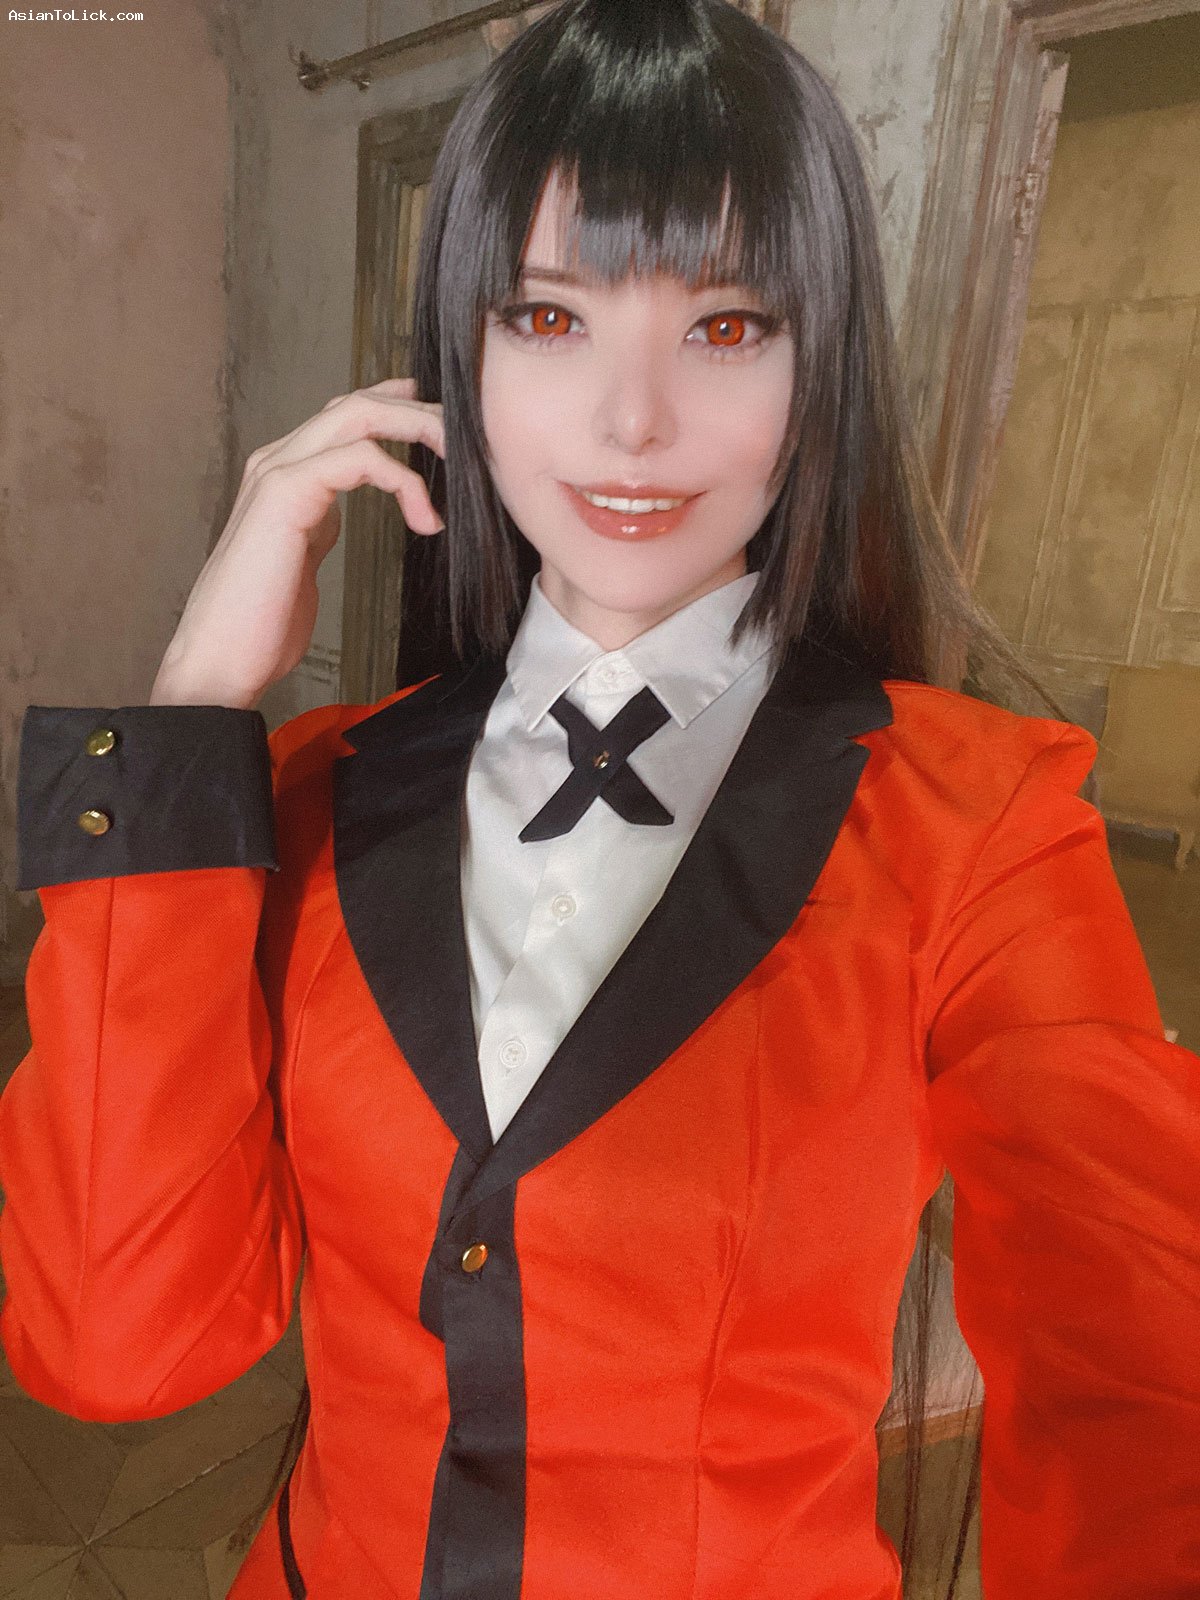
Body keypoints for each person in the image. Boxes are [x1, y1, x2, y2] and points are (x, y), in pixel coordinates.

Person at [1, 2, 1197, 1597]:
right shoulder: (304, 794)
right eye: (551, 318)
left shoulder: (978, 825)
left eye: (727, 327)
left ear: (821, 366)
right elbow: (117, 1346)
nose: (633, 421)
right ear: (463, 357)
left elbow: (1140, 1380)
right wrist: (193, 714)